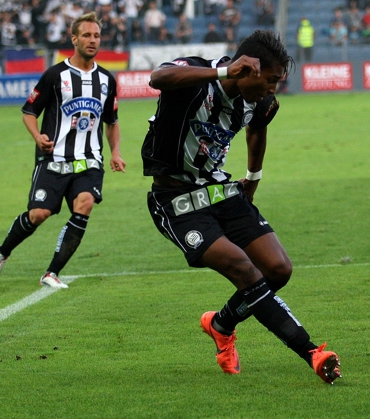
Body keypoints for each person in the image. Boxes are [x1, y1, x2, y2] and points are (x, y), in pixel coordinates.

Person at [141, 30, 342, 384]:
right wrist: (223, 72)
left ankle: (221, 324)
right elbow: (158, 77)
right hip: (176, 200)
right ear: (246, 70)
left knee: (278, 269)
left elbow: (257, 128)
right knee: (243, 269)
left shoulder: (262, 102)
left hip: (222, 190)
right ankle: (311, 352)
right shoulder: (198, 75)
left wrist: (253, 176)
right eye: (270, 80)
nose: (273, 89)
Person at [0, 12, 126, 289]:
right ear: (74, 39)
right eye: (86, 35)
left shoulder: (107, 80)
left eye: (96, 35)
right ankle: (2, 253)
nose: (92, 40)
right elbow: (28, 111)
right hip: (54, 158)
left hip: (89, 158)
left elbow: (112, 121)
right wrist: (37, 137)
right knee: (39, 214)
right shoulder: (54, 75)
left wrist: (116, 152)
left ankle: (52, 272)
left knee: (84, 204)